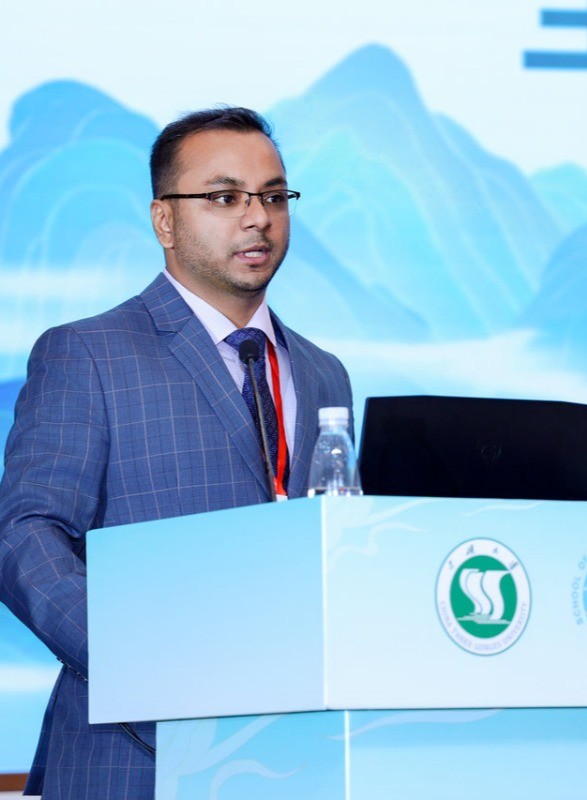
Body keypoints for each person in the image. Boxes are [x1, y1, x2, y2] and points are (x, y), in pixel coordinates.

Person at [0, 107, 354, 799]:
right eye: (225, 197)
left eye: (274, 196)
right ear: (164, 220)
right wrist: (137, 660)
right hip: (135, 751)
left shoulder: (323, 372)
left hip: (295, 755)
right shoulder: (88, 353)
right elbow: (24, 536)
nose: (257, 218)